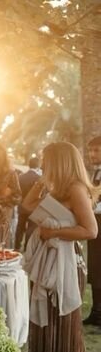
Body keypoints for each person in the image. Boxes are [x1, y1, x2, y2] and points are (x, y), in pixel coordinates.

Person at [23, 142, 97, 352]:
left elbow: (90, 230)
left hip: (66, 263)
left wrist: (52, 232)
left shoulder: (76, 189)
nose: (43, 165)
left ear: (60, 162)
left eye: (47, 161)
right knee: (46, 324)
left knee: (62, 325)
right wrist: (41, 183)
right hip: (49, 261)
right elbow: (27, 206)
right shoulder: (56, 189)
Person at [84, 137, 101, 326]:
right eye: (91, 151)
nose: (92, 154)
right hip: (95, 227)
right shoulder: (95, 172)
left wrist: (87, 209)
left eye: (97, 150)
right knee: (96, 269)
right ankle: (97, 311)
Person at [15, 156, 42, 249]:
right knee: (31, 228)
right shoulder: (39, 178)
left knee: (20, 227)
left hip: (21, 206)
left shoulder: (21, 177)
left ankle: (17, 246)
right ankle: (27, 247)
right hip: (33, 207)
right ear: (38, 165)